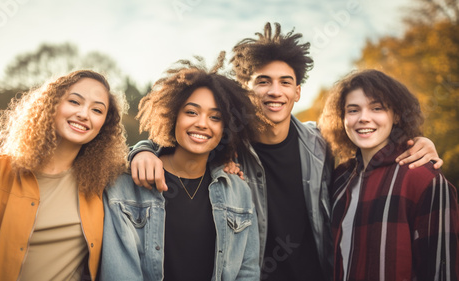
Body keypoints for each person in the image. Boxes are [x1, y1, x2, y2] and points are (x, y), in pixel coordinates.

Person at [127, 23, 442, 281]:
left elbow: (370, 145)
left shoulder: (323, 143)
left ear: (297, 91)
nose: (274, 91)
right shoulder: (226, 144)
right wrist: (143, 149)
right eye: (263, 81)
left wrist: (415, 142)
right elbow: (185, 140)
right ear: (245, 89)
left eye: (285, 82)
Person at [100, 54, 263, 280]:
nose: (202, 123)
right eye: (191, 112)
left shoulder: (239, 191)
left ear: (227, 128)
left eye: (215, 117)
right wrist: (140, 150)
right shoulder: (126, 184)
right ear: (173, 115)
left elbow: (247, 271)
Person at [0, 70, 128, 281]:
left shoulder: (103, 185)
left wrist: (145, 151)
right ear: (52, 104)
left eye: (97, 110)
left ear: (104, 125)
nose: (84, 114)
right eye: (75, 102)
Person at [319, 69, 459, 280]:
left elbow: (443, 271)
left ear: (396, 115)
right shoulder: (339, 179)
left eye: (377, 108)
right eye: (353, 110)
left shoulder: (424, 179)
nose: (364, 118)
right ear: (343, 118)